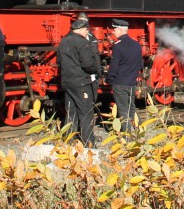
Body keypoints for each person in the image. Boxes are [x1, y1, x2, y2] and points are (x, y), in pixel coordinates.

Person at [57, 17, 101, 147]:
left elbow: (59, 61)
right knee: (86, 112)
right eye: (87, 30)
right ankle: (88, 142)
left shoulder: (63, 42)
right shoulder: (82, 43)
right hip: (82, 82)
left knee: (71, 112)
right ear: (82, 29)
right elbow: (88, 63)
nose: (88, 33)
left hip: (67, 82)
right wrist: (95, 71)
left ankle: (69, 140)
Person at [104, 19, 142, 132]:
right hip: (131, 82)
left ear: (120, 30)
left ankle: (127, 134)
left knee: (123, 110)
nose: (113, 32)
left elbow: (114, 66)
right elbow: (140, 64)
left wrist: (109, 79)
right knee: (131, 107)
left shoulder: (117, 46)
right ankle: (138, 130)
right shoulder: (136, 45)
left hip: (120, 82)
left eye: (115, 29)